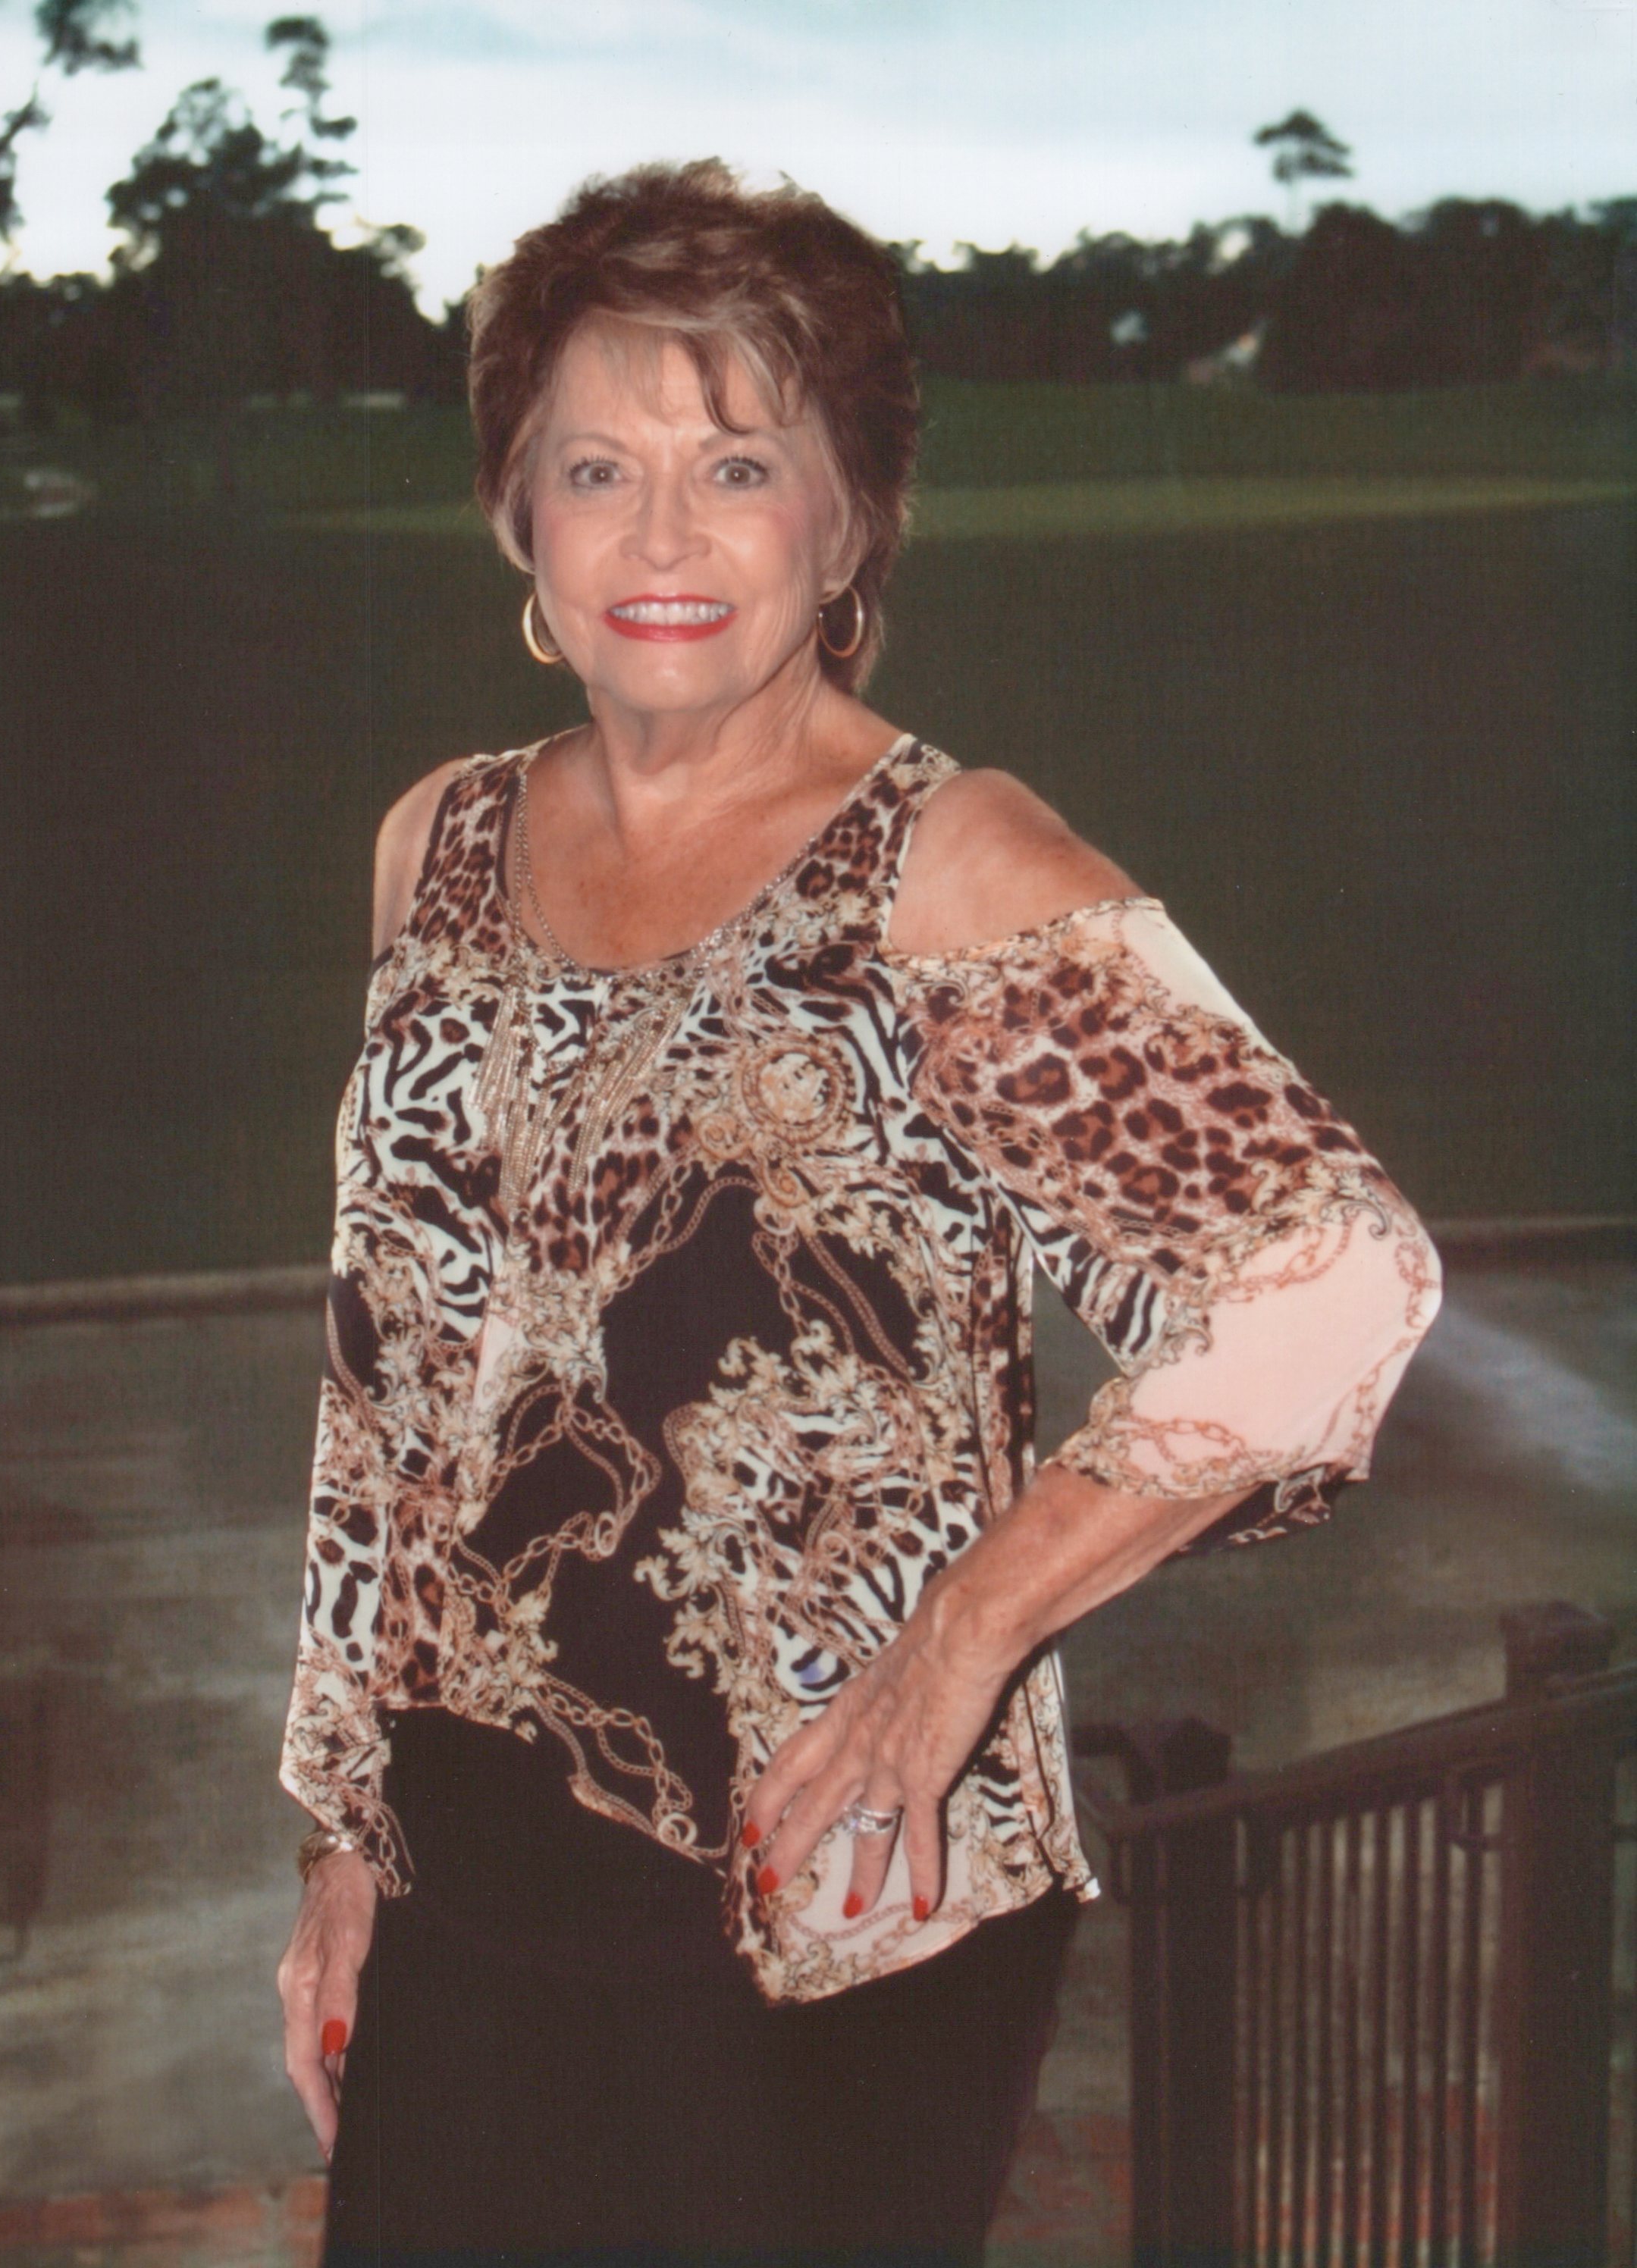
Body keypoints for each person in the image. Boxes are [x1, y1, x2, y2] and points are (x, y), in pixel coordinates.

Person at [274, 159, 1441, 2266]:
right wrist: (346, 1835)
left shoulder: (952, 869)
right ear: (517, 517)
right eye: (596, 469)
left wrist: (968, 1637)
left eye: (737, 467)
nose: (661, 539)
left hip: (821, 1903)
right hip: (467, 1876)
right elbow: (398, 1403)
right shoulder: (434, 842)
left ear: (847, 524)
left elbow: (1332, 1279)